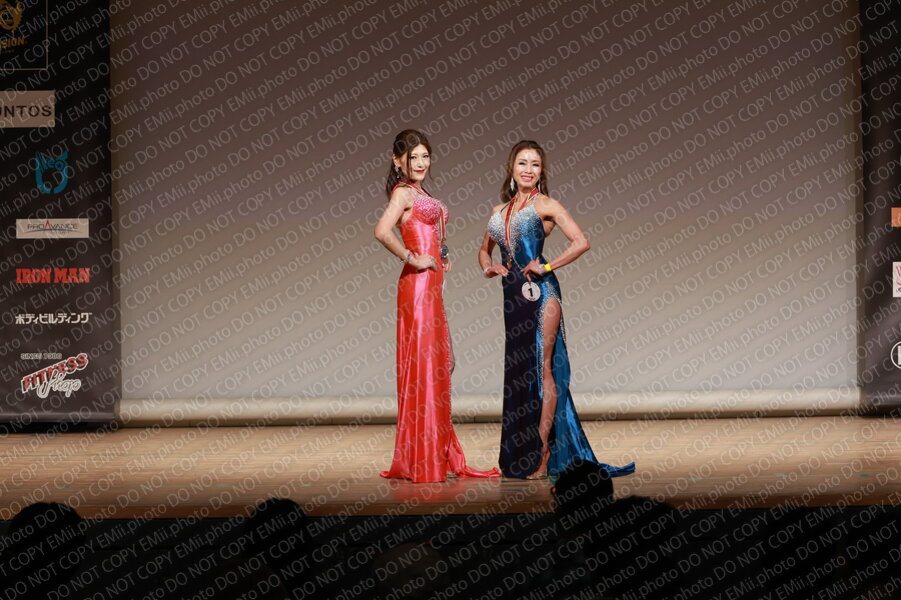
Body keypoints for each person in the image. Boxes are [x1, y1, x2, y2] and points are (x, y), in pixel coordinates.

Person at [479, 140, 635, 479]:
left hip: (542, 294)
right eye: (523, 163)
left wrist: (547, 267)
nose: (528, 170)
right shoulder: (498, 211)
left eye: (535, 164)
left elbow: (581, 241)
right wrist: (489, 267)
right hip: (513, 297)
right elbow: (484, 251)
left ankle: (542, 451)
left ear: (541, 171)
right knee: (521, 372)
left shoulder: (546, 204)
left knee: (543, 367)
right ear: (511, 168)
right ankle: (521, 450)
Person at [375, 129, 500, 483]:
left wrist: (438, 256)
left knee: (437, 364)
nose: (420, 163)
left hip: (431, 286)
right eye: (413, 157)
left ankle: (432, 453)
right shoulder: (402, 192)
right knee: (425, 367)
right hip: (417, 287)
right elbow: (382, 230)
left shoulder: (420, 193)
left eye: (425, 156)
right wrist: (412, 257)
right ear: (397, 161)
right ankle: (424, 459)